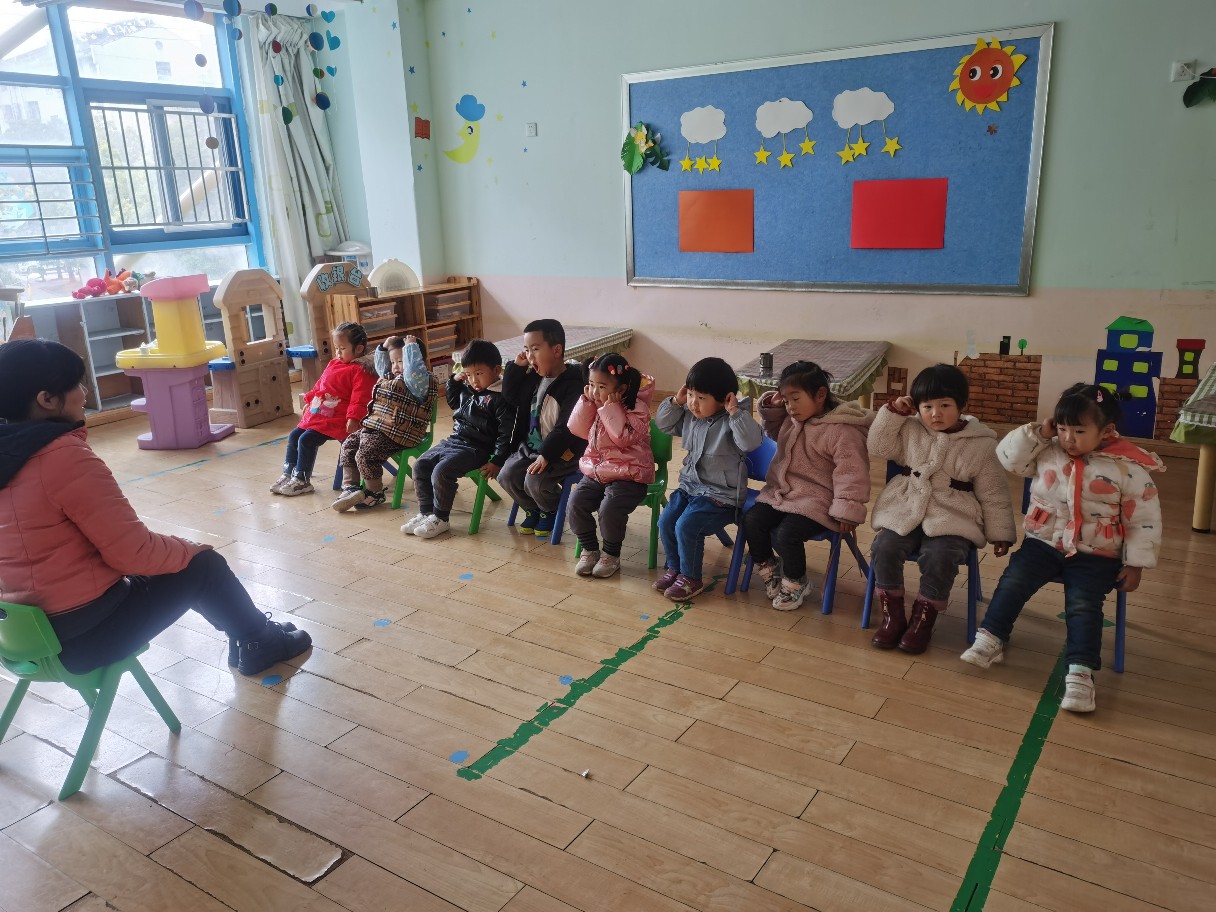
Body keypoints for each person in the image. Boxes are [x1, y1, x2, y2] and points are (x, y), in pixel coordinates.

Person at [0, 339, 311, 677]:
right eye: (75, 384)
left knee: (177, 564)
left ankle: (252, 636)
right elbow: (133, 554)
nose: (84, 393)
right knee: (204, 564)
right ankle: (258, 640)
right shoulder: (62, 458)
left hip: (21, 638)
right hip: (83, 637)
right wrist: (189, 549)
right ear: (46, 399)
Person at [961, 384, 1163, 713]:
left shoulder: (1127, 468)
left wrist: (1136, 563)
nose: (1069, 438)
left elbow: (1144, 519)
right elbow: (1008, 459)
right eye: (1063, 428)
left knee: (1083, 605)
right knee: (1014, 581)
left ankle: (1081, 673)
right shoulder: (1047, 449)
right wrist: (1039, 433)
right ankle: (991, 636)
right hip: (1044, 543)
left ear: (1107, 430)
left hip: (1095, 554)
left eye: (1079, 431)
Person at [868, 363, 1016, 653]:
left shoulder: (982, 445)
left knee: (940, 555)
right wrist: (894, 413)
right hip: (906, 506)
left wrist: (1000, 532)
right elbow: (878, 447)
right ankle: (892, 616)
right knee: (884, 547)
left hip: (954, 515)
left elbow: (994, 492)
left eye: (945, 405)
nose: (935, 414)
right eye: (927, 406)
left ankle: (923, 618)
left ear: (962, 405)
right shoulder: (910, 430)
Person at [744, 361, 872, 611]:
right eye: (786, 400)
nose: (790, 407)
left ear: (821, 395)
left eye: (795, 399)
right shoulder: (792, 419)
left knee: (786, 534)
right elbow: (772, 432)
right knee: (752, 521)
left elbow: (852, 472)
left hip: (819, 499)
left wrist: (848, 508)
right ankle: (770, 567)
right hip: (784, 492)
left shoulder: (843, 431)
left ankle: (797, 581)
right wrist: (773, 407)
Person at [654, 357, 763, 601]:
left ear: (724, 398)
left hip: (722, 497)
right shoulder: (691, 416)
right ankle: (675, 568)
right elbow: (663, 424)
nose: (693, 403)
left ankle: (691, 578)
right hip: (690, 488)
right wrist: (676, 402)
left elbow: (751, 442)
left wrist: (734, 412)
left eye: (701, 397)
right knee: (666, 521)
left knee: (686, 526)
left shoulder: (734, 421)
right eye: (691, 394)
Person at [404, 338, 516, 539]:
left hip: (477, 448)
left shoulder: (500, 398)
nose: (474, 380)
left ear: (496, 370)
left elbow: (506, 434)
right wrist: (454, 382)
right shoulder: (468, 390)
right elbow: (453, 401)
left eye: (479, 373)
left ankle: (441, 518)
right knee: (420, 465)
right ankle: (426, 513)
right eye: (469, 374)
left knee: (442, 471)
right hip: (454, 440)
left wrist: (498, 460)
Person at [567, 353, 655, 579]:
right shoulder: (595, 403)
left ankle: (611, 554)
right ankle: (590, 549)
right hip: (597, 471)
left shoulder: (638, 408)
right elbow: (577, 429)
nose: (595, 392)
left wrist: (611, 408)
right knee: (576, 503)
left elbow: (622, 438)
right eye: (591, 385)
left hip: (630, 474)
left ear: (621, 389)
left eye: (601, 387)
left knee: (610, 508)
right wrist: (587, 403)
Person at [498, 319, 588, 536]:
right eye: (526, 349)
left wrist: (547, 454)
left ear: (557, 350)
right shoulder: (533, 379)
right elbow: (510, 396)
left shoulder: (573, 384)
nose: (530, 356)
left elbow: (567, 426)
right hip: (530, 447)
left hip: (562, 451)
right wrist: (516, 369)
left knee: (535, 482)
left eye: (535, 349)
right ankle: (534, 509)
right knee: (506, 476)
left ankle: (552, 509)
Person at [332, 334, 436, 512]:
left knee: (365, 453)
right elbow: (381, 367)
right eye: (393, 361)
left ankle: (375, 492)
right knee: (349, 444)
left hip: (403, 432)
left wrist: (411, 348)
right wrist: (382, 348)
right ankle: (351, 487)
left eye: (401, 361)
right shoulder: (391, 376)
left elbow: (413, 371)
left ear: (416, 360)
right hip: (379, 427)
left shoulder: (419, 381)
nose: (395, 366)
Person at [272, 321, 376, 497]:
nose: (338, 352)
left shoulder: (362, 370)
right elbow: (321, 385)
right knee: (294, 435)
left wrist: (354, 417)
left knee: (306, 439)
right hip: (320, 414)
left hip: (339, 420)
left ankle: (302, 480)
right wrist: (310, 399)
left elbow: (361, 398)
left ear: (359, 349)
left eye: (342, 348)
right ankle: (289, 473)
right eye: (336, 348)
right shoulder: (334, 363)